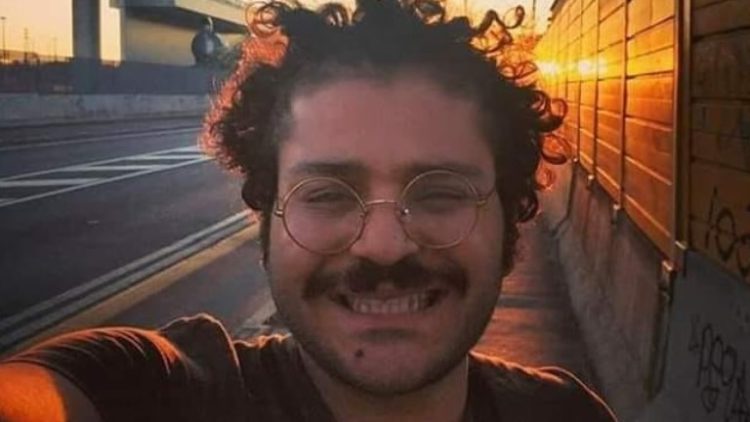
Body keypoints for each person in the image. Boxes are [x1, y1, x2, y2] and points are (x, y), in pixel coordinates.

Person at [0, 0, 618, 420]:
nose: (383, 245)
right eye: (325, 194)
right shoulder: (150, 391)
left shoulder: (566, 414)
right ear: (267, 217)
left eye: (441, 192)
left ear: (510, 217)